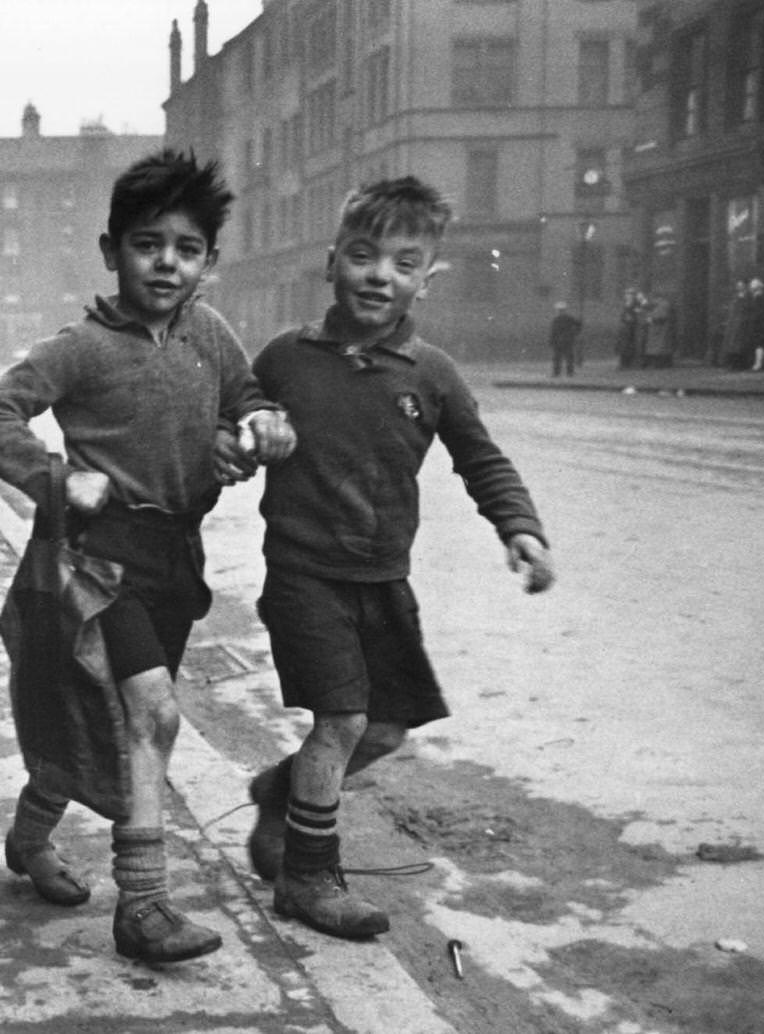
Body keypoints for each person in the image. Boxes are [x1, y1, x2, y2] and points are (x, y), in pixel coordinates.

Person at [0, 148, 295, 964]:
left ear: (209, 263)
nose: (167, 263)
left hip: (172, 560)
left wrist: (258, 430)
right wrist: (57, 477)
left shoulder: (209, 334)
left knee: (106, 721)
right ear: (113, 251)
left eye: (186, 248)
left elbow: (247, 402)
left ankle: (28, 837)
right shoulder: (79, 347)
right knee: (151, 714)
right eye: (148, 244)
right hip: (94, 563)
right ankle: (143, 906)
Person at [228, 176, 554, 940]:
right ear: (332, 260)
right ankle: (308, 879)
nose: (382, 275)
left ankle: (280, 793)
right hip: (306, 575)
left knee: (384, 731)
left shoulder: (430, 374)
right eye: (365, 256)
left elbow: (483, 460)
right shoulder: (286, 358)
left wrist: (520, 527)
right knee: (341, 720)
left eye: (404, 264)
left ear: (427, 280)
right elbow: (232, 419)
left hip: (384, 580)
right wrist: (250, 429)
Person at [715, 280, 750, 370]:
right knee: (731, 344)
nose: (739, 287)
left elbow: (746, 309)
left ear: (745, 286)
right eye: (738, 285)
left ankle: (740, 364)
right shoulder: (735, 297)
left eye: (741, 285)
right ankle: (732, 364)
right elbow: (733, 309)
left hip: (741, 323)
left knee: (739, 344)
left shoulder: (747, 297)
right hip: (733, 323)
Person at [548, 301, 582, 377]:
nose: (559, 311)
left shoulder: (559, 319)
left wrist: (574, 333)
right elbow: (578, 325)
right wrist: (575, 333)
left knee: (562, 358)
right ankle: (566, 373)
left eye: (560, 310)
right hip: (566, 341)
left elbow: (553, 332)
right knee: (564, 358)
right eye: (559, 310)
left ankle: (559, 373)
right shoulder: (567, 318)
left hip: (561, 341)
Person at [641, 293, 674, 369]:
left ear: (658, 298)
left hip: (659, 330)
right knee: (659, 348)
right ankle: (659, 364)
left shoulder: (663, 305)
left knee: (658, 349)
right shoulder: (661, 305)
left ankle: (659, 365)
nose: (652, 301)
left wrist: (651, 318)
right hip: (658, 330)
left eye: (653, 299)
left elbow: (661, 316)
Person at [616, 287, 645, 370]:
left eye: (630, 294)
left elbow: (640, 311)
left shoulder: (635, 304)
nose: (627, 296)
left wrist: (633, 316)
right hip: (625, 327)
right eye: (627, 294)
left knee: (630, 345)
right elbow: (623, 315)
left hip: (631, 327)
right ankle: (624, 363)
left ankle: (629, 363)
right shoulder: (626, 304)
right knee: (623, 345)